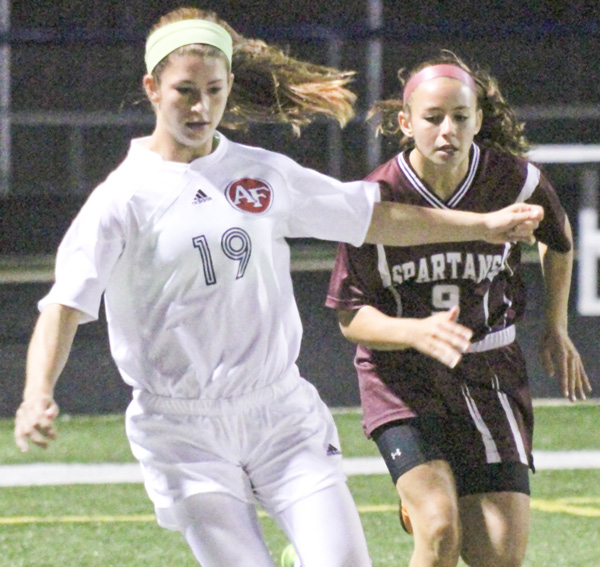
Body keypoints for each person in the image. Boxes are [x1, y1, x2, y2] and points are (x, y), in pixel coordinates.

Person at [13, 10, 542, 567]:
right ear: (152, 89)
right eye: (184, 92)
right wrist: (37, 394)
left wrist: (480, 225)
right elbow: (64, 306)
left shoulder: (261, 173)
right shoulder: (121, 199)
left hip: (279, 414)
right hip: (182, 434)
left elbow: (376, 218)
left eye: (213, 91)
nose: (199, 108)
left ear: (229, 89)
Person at [326, 51, 591, 567]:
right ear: (406, 123)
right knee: (441, 529)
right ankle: (425, 502)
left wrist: (556, 327)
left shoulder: (515, 181)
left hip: (491, 372)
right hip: (401, 376)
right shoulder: (378, 198)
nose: (446, 130)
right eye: (432, 118)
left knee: (498, 556)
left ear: (478, 120)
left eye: (460, 117)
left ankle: (432, 494)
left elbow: (557, 240)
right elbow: (349, 315)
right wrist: (412, 332)